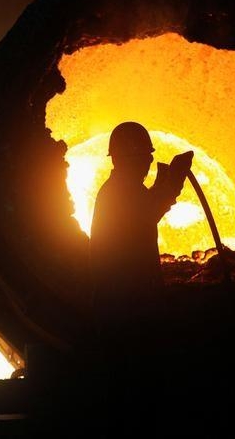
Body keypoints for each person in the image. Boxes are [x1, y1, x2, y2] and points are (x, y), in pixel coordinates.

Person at [89, 121, 193, 344]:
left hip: (123, 307)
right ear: (129, 158)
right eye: (145, 155)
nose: (150, 160)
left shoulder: (121, 189)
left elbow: (144, 208)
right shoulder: (118, 193)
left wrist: (164, 184)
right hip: (125, 311)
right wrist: (173, 182)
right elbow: (146, 212)